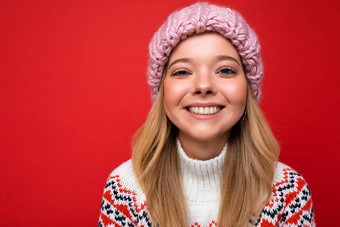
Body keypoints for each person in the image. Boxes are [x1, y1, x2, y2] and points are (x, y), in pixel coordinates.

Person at [98, 2, 315, 227]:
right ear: (163, 91)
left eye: (225, 70)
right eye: (182, 71)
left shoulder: (287, 193)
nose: (203, 85)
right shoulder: (124, 190)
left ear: (248, 88)